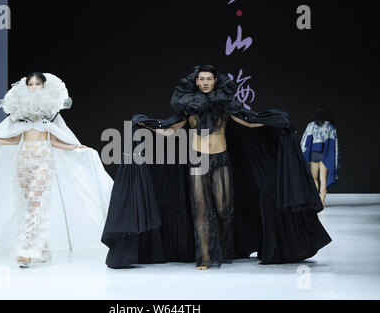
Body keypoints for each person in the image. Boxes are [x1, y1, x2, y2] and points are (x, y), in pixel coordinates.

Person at [102, 65, 332, 270]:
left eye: (208, 79)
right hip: (198, 161)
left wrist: (275, 121)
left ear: (215, 81)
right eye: (201, 79)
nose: (204, 82)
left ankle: (223, 251)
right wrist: (147, 126)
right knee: (201, 211)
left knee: (224, 209)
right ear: (196, 81)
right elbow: (170, 129)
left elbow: (247, 121)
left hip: (221, 160)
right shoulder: (188, 108)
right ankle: (204, 258)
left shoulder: (225, 106)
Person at [0, 72, 113, 268]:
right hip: (23, 161)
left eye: (37, 83)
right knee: (26, 205)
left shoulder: (50, 113)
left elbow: (56, 140)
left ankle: (27, 250)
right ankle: (42, 247)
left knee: (36, 204)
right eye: (30, 84)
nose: (33, 87)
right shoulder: (22, 112)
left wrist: (76, 147)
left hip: (43, 160)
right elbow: (15, 138)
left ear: (45, 86)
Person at [301, 106, 339, 207]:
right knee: (323, 180)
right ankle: (322, 202)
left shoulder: (311, 125)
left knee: (314, 178)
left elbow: (305, 140)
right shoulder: (330, 126)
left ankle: (315, 201)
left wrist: (303, 154)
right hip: (326, 155)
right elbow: (334, 143)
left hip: (314, 154)